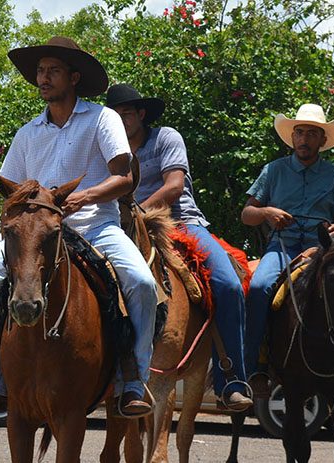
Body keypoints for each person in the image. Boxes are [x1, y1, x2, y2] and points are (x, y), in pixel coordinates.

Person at [0, 36, 157, 417]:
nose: (43, 78)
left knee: (142, 283)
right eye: (40, 71)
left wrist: (86, 196)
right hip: (37, 233)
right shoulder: (27, 133)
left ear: (74, 77)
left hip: (95, 227)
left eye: (53, 71)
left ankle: (133, 381)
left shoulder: (102, 119)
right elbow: (12, 189)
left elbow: (125, 178)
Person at [106, 83, 253, 411]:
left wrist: (138, 212)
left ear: (141, 114)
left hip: (181, 224)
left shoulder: (166, 138)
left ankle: (231, 379)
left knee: (228, 284)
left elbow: (173, 187)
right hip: (123, 229)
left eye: (126, 114)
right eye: (114, 116)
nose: (121, 121)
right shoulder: (107, 148)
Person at [241, 103, 334, 393]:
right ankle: (254, 368)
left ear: (322, 140)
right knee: (259, 287)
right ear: (292, 137)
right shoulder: (273, 170)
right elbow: (247, 214)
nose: (304, 139)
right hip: (283, 245)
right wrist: (267, 212)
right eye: (299, 133)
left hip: (324, 249)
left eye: (311, 134)